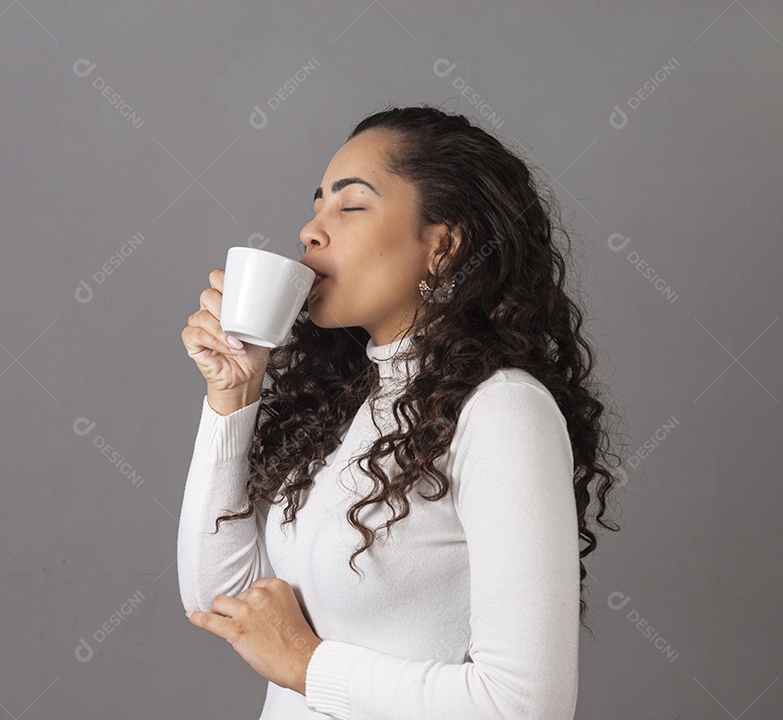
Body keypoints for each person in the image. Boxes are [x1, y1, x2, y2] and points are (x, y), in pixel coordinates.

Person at [178, 104, 623, 719]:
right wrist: (234, 394)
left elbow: (524, 706)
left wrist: (306, 665)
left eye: (350, 205)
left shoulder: (503, 411)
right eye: (315, 207)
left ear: (443, 245)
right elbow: (223, 601)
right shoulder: (348, 408)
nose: (310, 230)